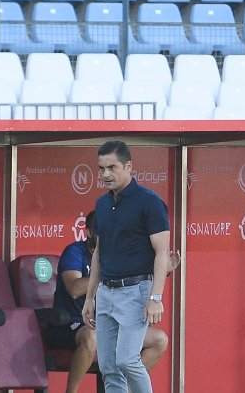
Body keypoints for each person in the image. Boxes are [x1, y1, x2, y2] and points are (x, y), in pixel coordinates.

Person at [51, 211, 181, 393]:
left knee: (159, 340)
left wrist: (158, 272)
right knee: (92, 336)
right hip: (72, 322)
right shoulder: (75, 251)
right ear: (90, 232)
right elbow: (74, 289)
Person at [82, 141, 171, 393]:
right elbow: (99, 251)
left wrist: (155, 297)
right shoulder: (101, 204)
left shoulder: (149, 202)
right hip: (106, 293)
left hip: (136, 292)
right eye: (101, 169)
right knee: (109, 366)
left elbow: (162, 251)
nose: (105, 174)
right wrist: (90, 297)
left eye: (112, 167)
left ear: (129, 166)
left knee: (127, 360)